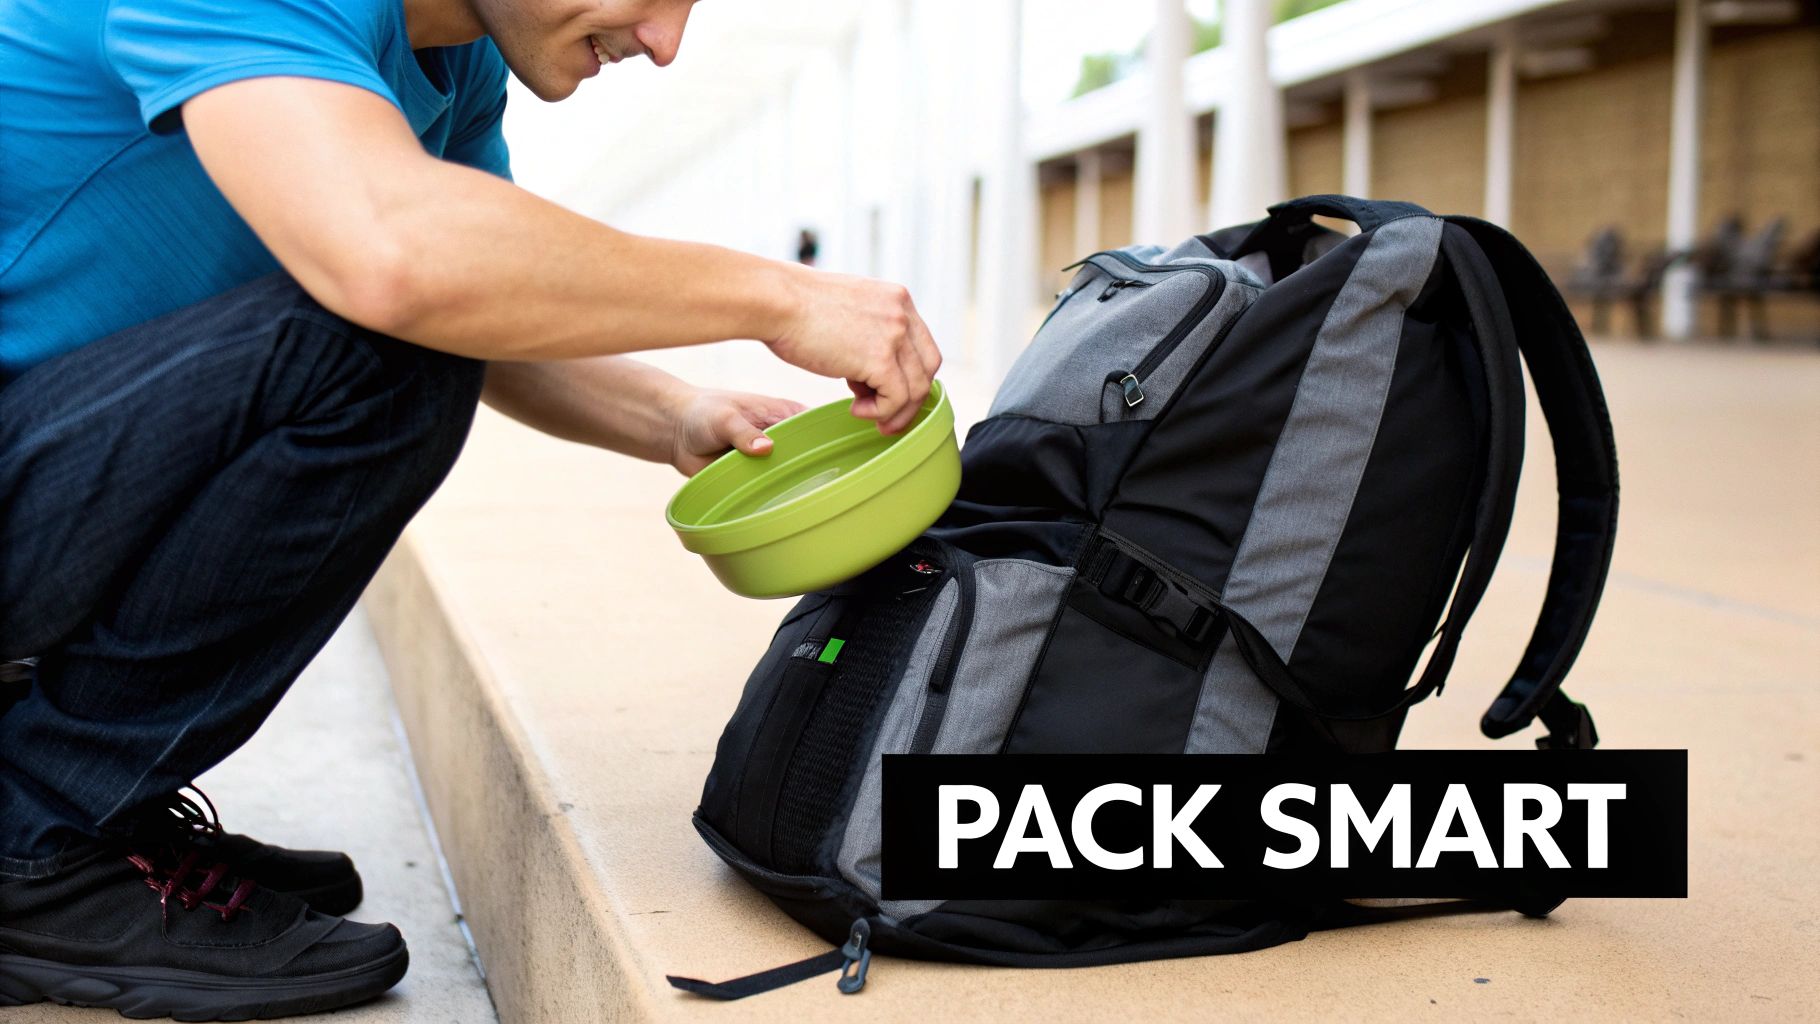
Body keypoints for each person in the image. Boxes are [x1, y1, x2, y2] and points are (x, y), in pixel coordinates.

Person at [0, 0, 940, 1018]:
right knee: (383, 340)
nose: (665, 43)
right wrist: (783, 299)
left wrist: (678, 414)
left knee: (410, 332)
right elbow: (397, 257)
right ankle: (38, 833)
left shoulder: (448, 68)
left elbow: (480, 302)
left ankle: (93, 807)